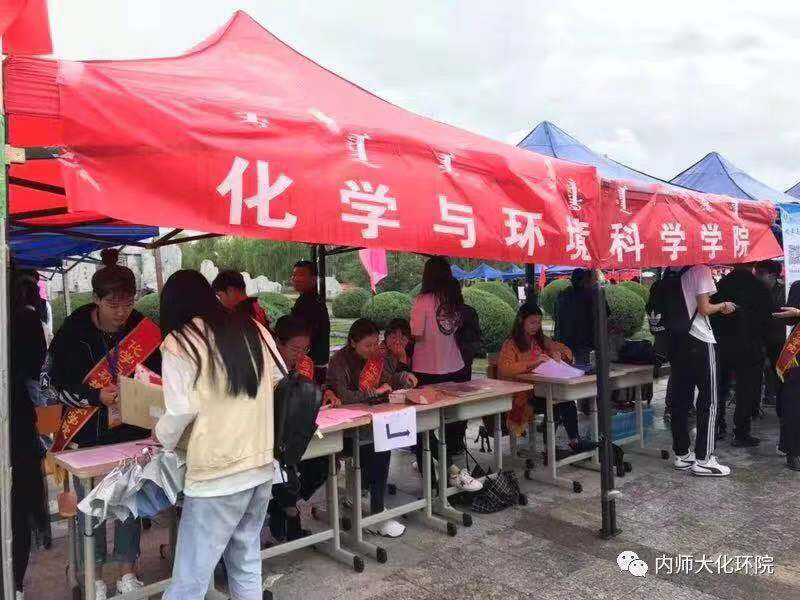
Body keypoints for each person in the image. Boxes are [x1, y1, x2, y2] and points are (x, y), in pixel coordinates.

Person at [156, 270, 278, 598]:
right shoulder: (253, 328)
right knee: (246, 560)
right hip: (260, 465)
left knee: (190, 580)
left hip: (216, 474)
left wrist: (161, 437)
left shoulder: (180, 341)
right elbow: (278, 378)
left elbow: (180, 411)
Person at [49, 260, 161, 599]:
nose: (122, 312)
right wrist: (94, 396)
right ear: (96, 299)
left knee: (128, 504)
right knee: (90, 506)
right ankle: (92, 574)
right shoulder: (73, 332)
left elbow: (160, 377)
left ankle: (127, 571)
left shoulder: (142, 329)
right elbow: (53, 385)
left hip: (131, 431)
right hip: (87, 433)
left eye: (128, 303)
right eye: (113, 304)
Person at [326, 319, 417, 537]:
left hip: (369, 422)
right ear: (352, 342)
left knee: (383, 441)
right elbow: (345, 396)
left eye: (376, 343)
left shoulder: (378, 358)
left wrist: (403, 377)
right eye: (368, 345)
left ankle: (372, 501)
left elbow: (388, 381)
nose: (374, 349)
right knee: (379, 445)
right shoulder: (339, 361)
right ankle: (375, 509)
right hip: (344, 430)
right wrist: (375, 393)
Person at [410, 257, 481, 492]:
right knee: (448, 421)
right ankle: (450, 467)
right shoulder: (454, 299)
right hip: (454, 366)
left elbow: (416, 333)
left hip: (425, 369)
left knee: (423, 426)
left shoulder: (423, 300)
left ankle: (432, 482)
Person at [266, 315, 328, 542]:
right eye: (295, 349)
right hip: (272, 440)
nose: (301, 355)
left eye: (305, 349)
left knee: (323, 464)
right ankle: (289, 512)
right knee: (284, 469)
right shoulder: (267, 368)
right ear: (277, 342)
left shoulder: (304, 366)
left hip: (299, 434)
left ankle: (280, 507)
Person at [670, 265, 736, 477]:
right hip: (700, 340)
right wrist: (724, 305)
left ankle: (682, 454)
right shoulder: (700, 269)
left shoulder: (673, 270)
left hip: (679, 342)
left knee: (680, 400)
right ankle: (704, 459)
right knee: (710, 400)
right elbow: (704, 308)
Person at [498, 304, 592, 454]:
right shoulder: (510, 344)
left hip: (542, 391)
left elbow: (562, 348)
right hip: (523, 396)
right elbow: (505, 369)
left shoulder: (540, 340)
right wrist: (532, 363)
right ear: (521, 321)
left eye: (539, 322)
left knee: (565, 399)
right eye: (532, 322)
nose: (536, 326)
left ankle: (574, 441)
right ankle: (550, 450)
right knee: (555, 403)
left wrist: (559, 354)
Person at [9, 278, 48, 599]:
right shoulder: (28, 317)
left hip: (21, 403)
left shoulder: (20, 318)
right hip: (24, 399)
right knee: (22, 499)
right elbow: (39, 357)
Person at [711, 263, 772, 446]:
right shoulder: (759, 287)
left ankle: (718, 427)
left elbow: (712, 315)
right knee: (746, 391)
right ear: (753, 264)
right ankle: (741, 433)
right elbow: (767, 319)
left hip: (723, 344)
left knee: (720, 388)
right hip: (750, 347)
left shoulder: (721, 285)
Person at [291, 260, 331, 385]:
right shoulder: (313, 299)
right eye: (294, 275)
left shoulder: (307, 302)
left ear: (313, 280)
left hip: (310, 364)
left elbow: (303, 334)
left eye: (301, 275)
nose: (295, 279)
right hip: (317, 362)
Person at [755, 261, 786, 407]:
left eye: (761, 273)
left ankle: (780, 402)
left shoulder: (784, 290)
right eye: (756, 272)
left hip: (779, 340)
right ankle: (761, 401)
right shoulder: (756, 290)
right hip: (759, 339)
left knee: (780, 373)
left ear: (772, 275)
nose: (757, 276)